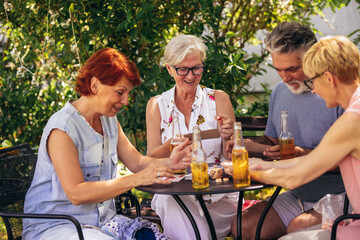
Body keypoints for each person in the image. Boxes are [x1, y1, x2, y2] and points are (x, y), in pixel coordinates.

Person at [22, 48, 191, 240]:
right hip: (56, 227)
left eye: (127, 93)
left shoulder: (109, 121)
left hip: (100, 225)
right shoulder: (63, 129)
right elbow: (76, 193)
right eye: (120, 92)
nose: (125, 101)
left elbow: (137, 162)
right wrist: (136, 179)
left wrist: (171, 163)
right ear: (95, 85)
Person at [232, 35, 360, 240]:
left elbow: (296, 176)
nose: (314, 90)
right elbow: (311, 160)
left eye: (313, 81)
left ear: (328, 78)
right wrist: (260, 165)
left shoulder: (352, 119)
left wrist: (248, 173)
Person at [146, 34, 237, 240]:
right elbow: (151, 156)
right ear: (169, 68)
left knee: (191, 230)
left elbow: (231, 157)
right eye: (182, 69)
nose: (190, 76)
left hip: (218, 197)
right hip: (175, 194)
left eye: (196, 68)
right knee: (173, 206)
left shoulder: (218, 99)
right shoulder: (156, 105)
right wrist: (171, 146)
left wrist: (228, 140)